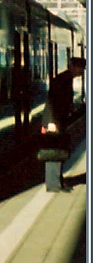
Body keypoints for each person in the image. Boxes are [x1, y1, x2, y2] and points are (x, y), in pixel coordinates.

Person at [40, 56, 85, 190]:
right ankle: (53, 183)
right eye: (81, 69)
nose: (81, 72)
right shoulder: (61, 80)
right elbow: (51, 101)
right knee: (54, 152)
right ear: (73, 67)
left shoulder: (66, 79)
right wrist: (50, 122)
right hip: (54, 122)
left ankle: (57, 180)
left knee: (59, 150)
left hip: (59, 120)